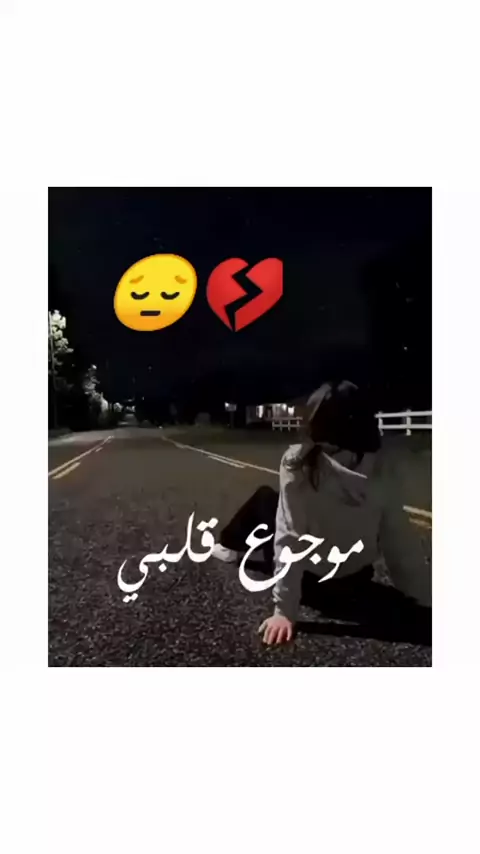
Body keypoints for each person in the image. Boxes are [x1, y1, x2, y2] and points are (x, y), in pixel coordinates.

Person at [212, 380, 431, 645]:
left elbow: (288, 537)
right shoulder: (384, 467)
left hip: (311, 586)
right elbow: (400, 542)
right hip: (354, 584)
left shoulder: (297, 462)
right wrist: (427, 597)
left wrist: (284, 611)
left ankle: (229, 546)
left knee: (266, 498)